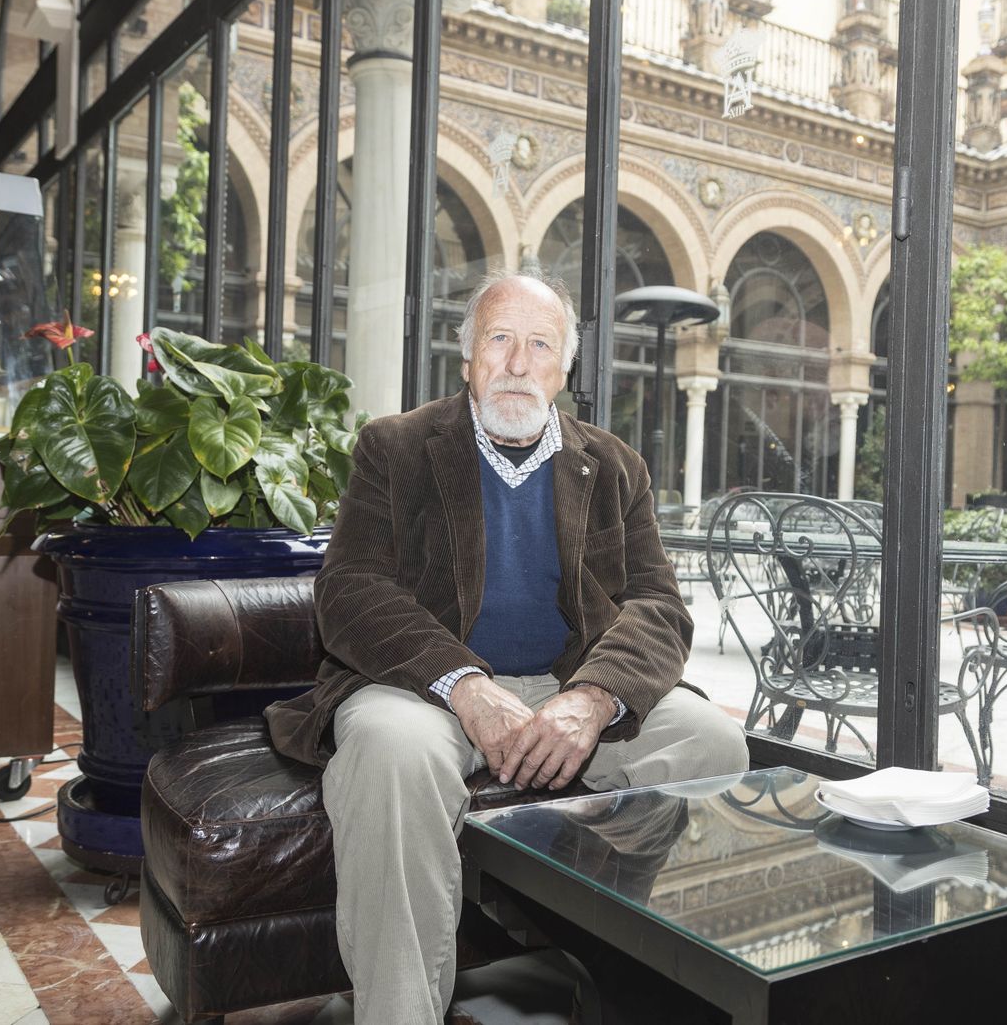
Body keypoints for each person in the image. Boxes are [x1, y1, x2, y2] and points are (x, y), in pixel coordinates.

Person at [264, 268, 750, 1024]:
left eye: (540, 345)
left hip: (570, 684)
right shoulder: (396, 448)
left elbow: (658, 605)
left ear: (564, 369)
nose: (519, 364)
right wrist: (465, 685)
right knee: (393, 755)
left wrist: (592, 699)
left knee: (712, 743)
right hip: (422, 688)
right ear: (468, 360)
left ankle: (615, 963)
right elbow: (350, 589)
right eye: (499, 340)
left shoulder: (615, 465)